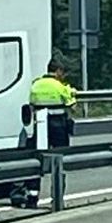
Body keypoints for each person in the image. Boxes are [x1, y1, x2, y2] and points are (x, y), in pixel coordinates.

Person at [11, 59, 77, 208]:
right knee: (59, 161)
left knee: (38, 161)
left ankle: (32, 197)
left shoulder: (36, 85)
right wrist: (71, 93)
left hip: (40, 125)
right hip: (58, 125)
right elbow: (72, 106)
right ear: (59, 71)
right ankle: (57, 198)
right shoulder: (60, 87)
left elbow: (31, 103)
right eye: (63, 73)